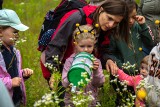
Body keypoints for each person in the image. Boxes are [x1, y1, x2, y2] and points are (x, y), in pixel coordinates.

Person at [101, 0, 154, 106]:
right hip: (122, 76)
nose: (130, 21)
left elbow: (150, 43)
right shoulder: (115, 32)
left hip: (140, 74)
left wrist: (143, 26)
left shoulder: (137, 26)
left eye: (133, 16)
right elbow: (109, 53)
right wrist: (122, 68)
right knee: (123, 101)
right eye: (127, 18)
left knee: (141, 100)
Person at [62, 24, 105, 106]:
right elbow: (64, 84)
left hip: (90, 102)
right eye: (82, 46)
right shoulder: (69, 61)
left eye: (89, 46)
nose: (86, 49)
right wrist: (73, 72)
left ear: (93, 45)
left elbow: (99, 83)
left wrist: (95, 71)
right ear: (75, 44)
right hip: (72, 102)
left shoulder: (96, 62)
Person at [0, 9, 33, 107]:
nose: (18, 36)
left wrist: (22, 74)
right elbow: (10, 80)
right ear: (0, 31)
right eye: (15, 32)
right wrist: (10, 83)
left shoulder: (14, 51)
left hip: (15, 99)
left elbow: (13, 73)